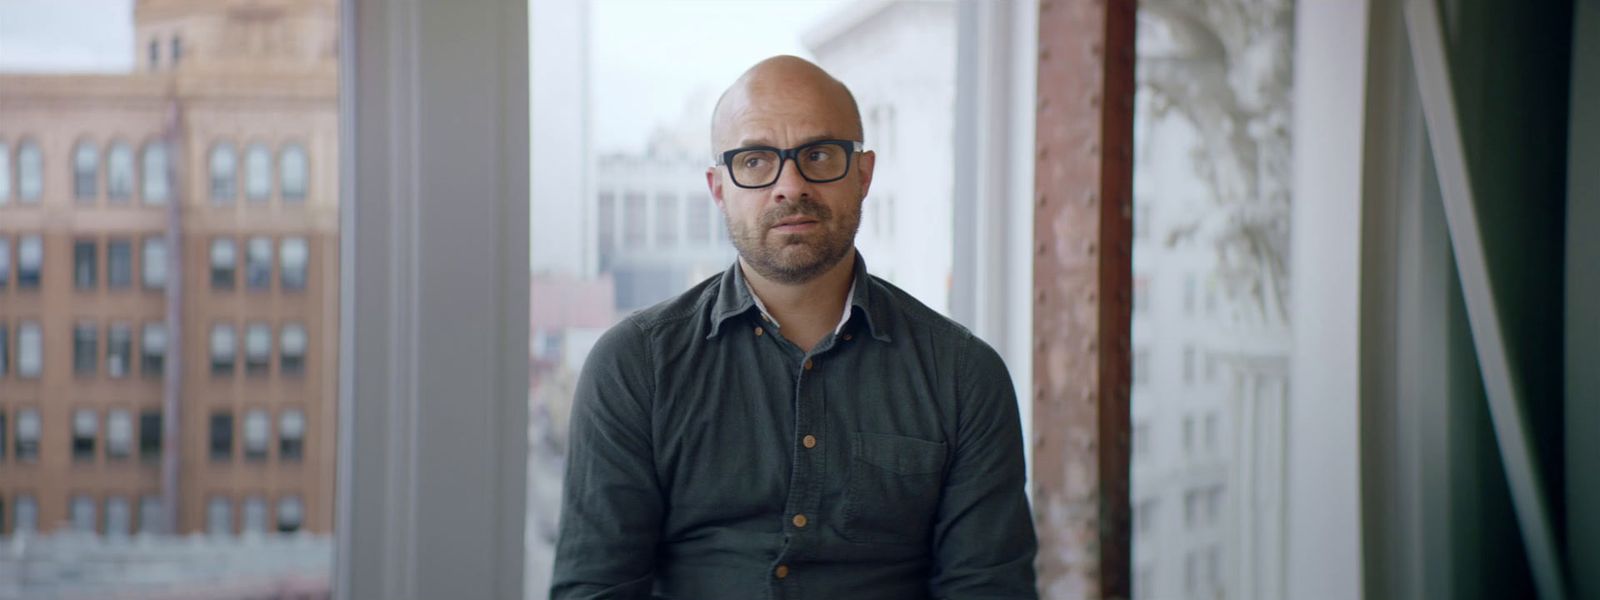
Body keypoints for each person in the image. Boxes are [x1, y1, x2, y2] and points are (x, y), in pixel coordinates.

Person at [551, 55, 1037, 600]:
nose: (790, 184)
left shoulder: (964, 376)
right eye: (756, 161)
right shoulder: (635, 365)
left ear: (864, 174)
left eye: (819, 155)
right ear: (718, 189)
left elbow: (989, 590)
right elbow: (596, 589)